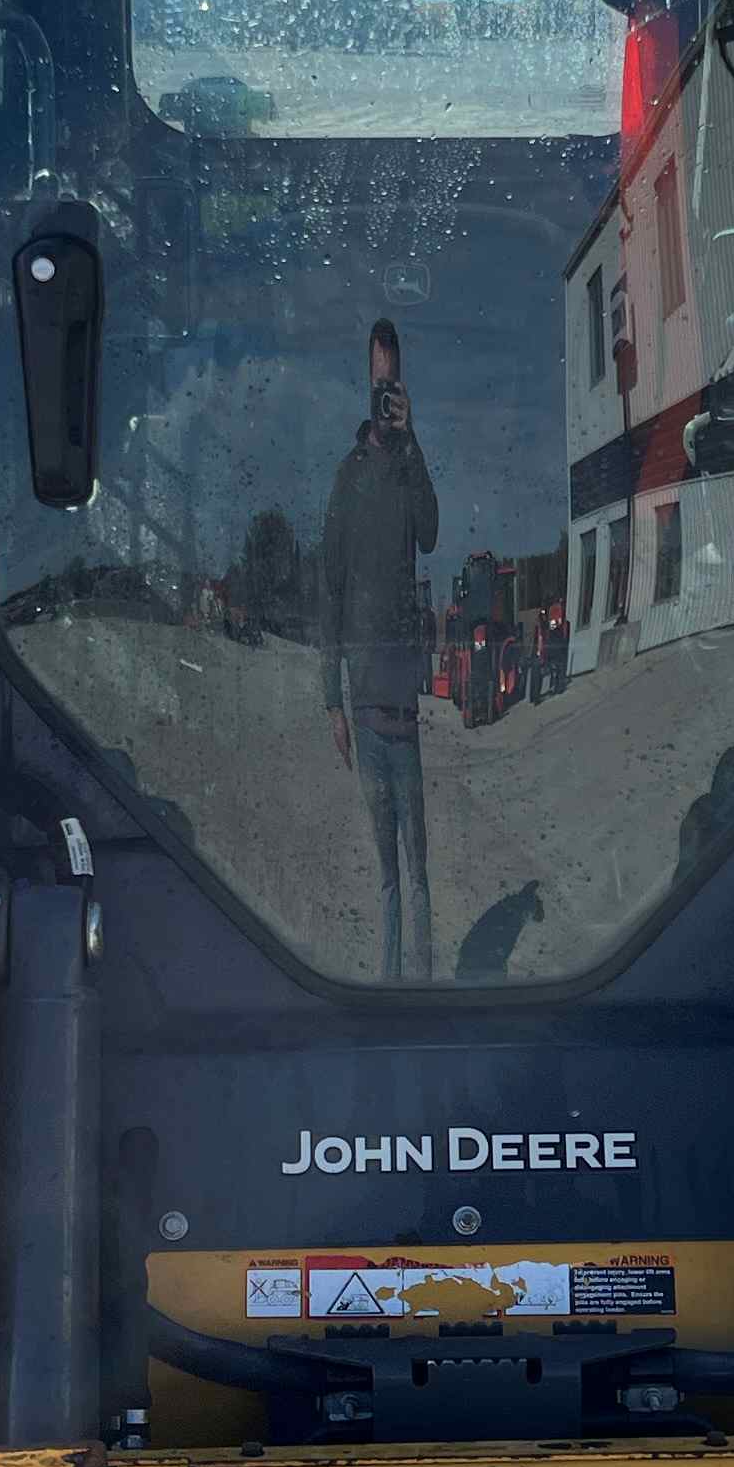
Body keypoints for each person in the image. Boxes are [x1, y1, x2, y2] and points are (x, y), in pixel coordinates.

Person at [320, 316, 440, 981]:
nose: (385, 390)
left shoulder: (406, 467)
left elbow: (430, 534)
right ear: (366, 383)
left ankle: (424, 994)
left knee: (420, 869)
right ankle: (389, 992)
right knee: (389, 877)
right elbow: (328, 588)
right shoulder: (349, 476)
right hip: (364, 707)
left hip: (405, 705)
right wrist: (328, 701)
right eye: (378, 380)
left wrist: (414, 438)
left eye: (394, 381)